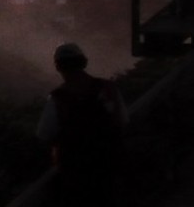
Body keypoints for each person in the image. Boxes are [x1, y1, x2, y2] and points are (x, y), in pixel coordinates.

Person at [36, 42, 128, 204]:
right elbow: (122, 121)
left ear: (58, 67)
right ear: (83, 62)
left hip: (74, 172)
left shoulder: (58, 98)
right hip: (110, 164)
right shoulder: (108, 89)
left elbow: (44, 134)